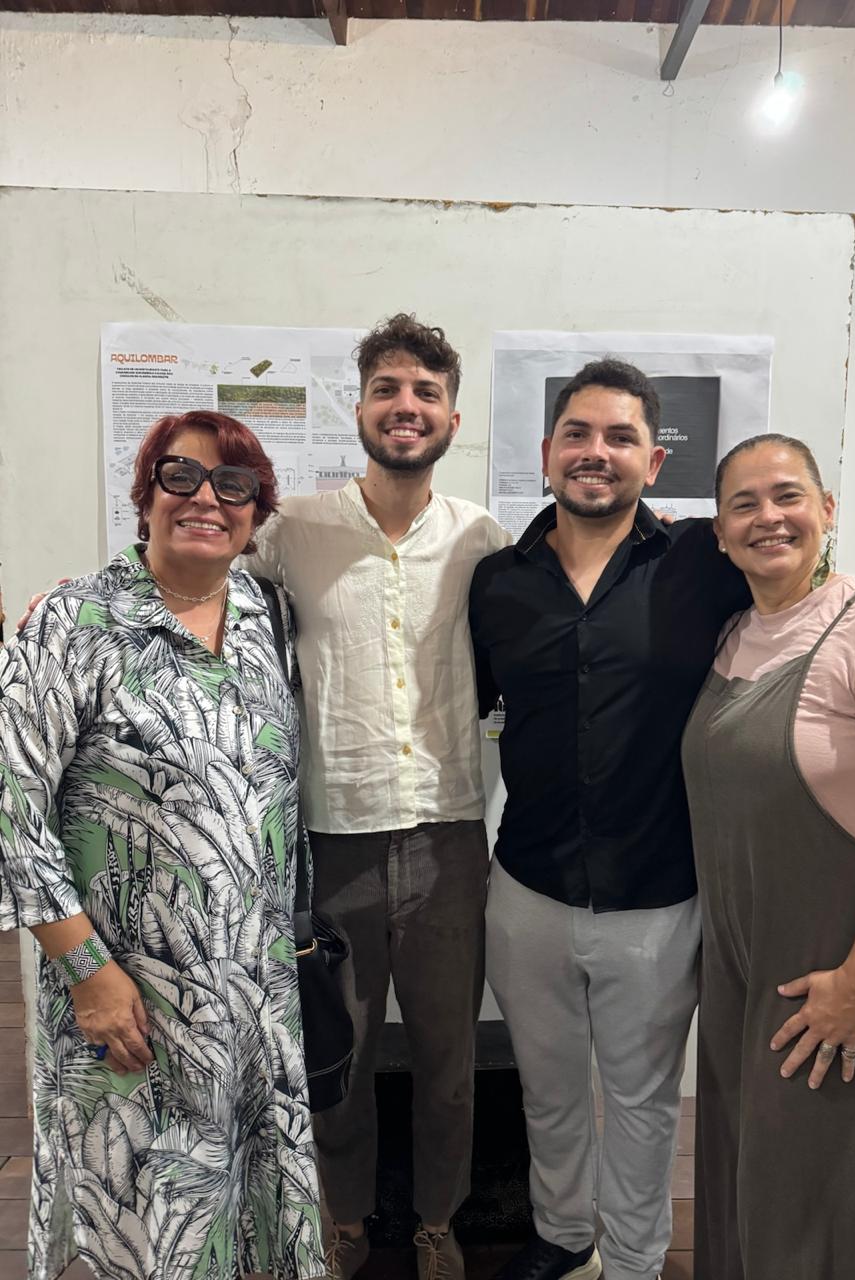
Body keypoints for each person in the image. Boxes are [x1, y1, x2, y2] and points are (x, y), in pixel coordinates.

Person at [468, 359, 855, 1280]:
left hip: (658, 895)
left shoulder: (702, 561)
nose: (596, 452)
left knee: (644, 1099)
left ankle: (636, 1260)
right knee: (548, 1090)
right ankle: (563, 1237)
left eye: (621, 437)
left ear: (654, 462)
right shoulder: (497, 581)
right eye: (578, 434)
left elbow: (820, 597)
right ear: (546, 452)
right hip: (527, 884)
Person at [0, 411, 324, 1280]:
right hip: (130, 990)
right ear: (145, 494)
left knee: (239, 1211)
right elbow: (10, 806)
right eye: (181, 477)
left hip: (255, 992)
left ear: (256, 513)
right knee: (151, 1212)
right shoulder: (74, 621)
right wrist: (89, 976)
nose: (206, 499)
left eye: (233, 485)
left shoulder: (264, 615)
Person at [245, 314, 511, 1280]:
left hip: (449, 838)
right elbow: (193, 593)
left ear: (451, 418)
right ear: (357, 409)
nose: (407, 407)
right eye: (388, 390)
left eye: (426, 393)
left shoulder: (482, 537)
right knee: (338, 1061)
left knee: (449, 1065)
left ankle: (438, 1222)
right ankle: (344, 1219)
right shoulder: (291, 533)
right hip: (334, 839)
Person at [681, 435, 855, 1279]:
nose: (768, 518)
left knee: (836, 1191)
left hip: (832, 966)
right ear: (720, 533)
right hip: (742, 965)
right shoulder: (732, 632)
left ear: (827, 510)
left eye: (788, 496)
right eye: (744, 505)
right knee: (752, 1175)